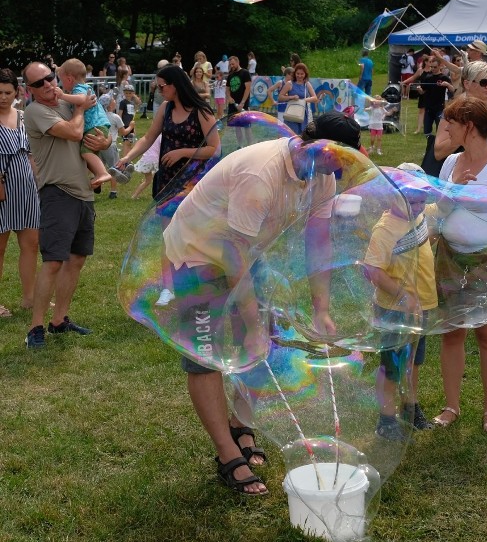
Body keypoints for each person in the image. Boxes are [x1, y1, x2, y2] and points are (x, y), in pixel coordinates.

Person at [157, 112, 363, 495]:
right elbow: (229, 253)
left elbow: (319, 242)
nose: (346, 166)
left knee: (264, 346)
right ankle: (226, 455)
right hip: (198, 253)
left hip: (245, 252)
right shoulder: (261, 173)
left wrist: (322, 309)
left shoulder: (322, 177)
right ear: (320, 147)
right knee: (206, 355)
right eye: (344, 157)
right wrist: (251, 326)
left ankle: (241, 425)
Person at [431, 96, 487, 432]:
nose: (445, 130)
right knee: (452, 334)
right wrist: (452, 189)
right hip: (451, 258)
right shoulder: (450, 163)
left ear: (468, 126)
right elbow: (438, 210)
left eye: (450, 124)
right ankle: (451, 406)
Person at [116, 63, 221, 306]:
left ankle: (195, 284)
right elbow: (148, 137)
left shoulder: (202, 112)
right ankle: (168, 287)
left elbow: (214, 149)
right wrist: (127, 157)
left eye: (162, 86)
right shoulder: (165, 108)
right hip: (167, 181)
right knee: (168, 235)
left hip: (194, 183)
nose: (159, 90)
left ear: (175, 85)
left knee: (193, 235)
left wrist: (183, 152)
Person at [22, 61, 110, 348]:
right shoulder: (36, 111)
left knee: (77, 259)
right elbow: (74, 133)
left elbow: (93, 134)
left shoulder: (67, 100)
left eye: (49, 78)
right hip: (58, 192)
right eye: (39, 83)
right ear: (30, 90)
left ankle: (59, 320)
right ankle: (35, 328)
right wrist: (82, 109)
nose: (47, 84)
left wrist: (104, 141)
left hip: (83, 193)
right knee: (53, 262)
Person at [363, 178, 438, 439]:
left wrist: (459, 184)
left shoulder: (420, 216)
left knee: (414, 361)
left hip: (422, 305)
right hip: (395, 308)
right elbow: (372, 270)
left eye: (421, 201)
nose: (417, 207)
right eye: (411, 201)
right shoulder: (385, 229)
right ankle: (385, 419)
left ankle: (410, 408)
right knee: (392, 364)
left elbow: (444, 208)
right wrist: (403, 295)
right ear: (393, 198)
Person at [0, 68, 39, 318]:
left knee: (31, 246)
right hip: (1, 192)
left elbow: (32, 154)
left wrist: (40, 183)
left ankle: (29, 298)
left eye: (7, 92)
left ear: (17, 92)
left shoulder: (24, 117)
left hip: (26, 189)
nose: (2, 97)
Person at [433, 61, 487, 160]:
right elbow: (438, 153)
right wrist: (463, 133)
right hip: (468, 172)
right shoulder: (455, 112)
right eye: (483, 82)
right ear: (467, 84)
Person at [56, 59, 116, 188]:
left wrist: (62, 96)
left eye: (61, 80)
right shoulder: (84, 87)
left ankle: (101, 173)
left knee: (85, 152)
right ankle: (98, 176)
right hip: (98, 127)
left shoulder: (79, 89)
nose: (61, 84)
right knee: (91, 153)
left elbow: (82, 99)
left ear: (69, 79)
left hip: (94, 127)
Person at [279, 62, 318, 136]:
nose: (299, 76)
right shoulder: (289, 84)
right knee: (291, 135)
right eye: (298, 73)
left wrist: (305, 100)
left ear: (305, 74)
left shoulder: (307, 84)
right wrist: (291, 97)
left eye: (302, 74)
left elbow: (315, 98)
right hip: (291, 113)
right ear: (295, 73)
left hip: (303, 114)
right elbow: (280, 97)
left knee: (301, 136)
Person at [226, 56, 253, 146]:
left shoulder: (245, 73)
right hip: (233, 104)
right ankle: (240, 145)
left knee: (246, 126)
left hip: (243, 104)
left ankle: (250, 145)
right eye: (230, 64)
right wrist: (229, 97)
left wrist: (242, 102)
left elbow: (248, 89)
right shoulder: (230, 75)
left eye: (233, 64)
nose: (232, 66)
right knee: (237, 126)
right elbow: (227, 89)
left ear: (238, 62)